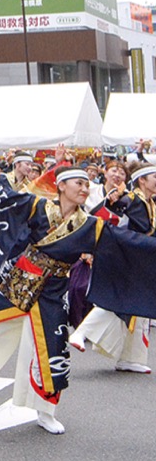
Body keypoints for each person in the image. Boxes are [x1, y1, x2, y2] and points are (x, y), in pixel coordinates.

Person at [0, 144, 156, 434]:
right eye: (79, 183)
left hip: (53, 290)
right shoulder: (37, 207)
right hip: (22, 277)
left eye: (87, 184)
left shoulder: (90, 225)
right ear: (60, 186)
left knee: (54, 349)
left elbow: (130, 242)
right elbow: (1, 196)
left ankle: (46, 409)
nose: (85, 188)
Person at [68, 159, 156, 373]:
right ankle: (81, 332)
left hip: (139, 259)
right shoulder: (133, 199)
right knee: (117, 300)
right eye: (155, 178)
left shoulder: (149, 202)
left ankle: (130, 358)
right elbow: (118, 216)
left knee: (138, 308)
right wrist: (116, 199)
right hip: (123, 257)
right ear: (142, 180)